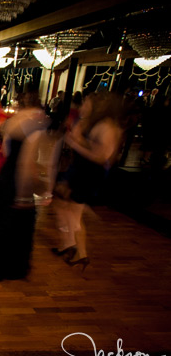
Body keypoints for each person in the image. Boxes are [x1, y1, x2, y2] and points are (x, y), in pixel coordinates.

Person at [0, 86, 52, 281]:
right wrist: (27, 193)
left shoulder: (11, 121)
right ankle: (11, 268)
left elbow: (7, 151)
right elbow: (27, 161)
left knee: (1, 221)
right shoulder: (37, 122)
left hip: (5, 175)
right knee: (17, 223)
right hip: (18, 179)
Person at [52, 92, 124, 271]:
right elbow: (87, 144)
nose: (83, 105)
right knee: (62, 203)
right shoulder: (93, 123)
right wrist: (78, 135)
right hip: (79, 171)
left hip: (87, 174)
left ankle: (81, 254)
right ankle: (68, 244)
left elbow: (101, 157)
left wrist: (75, 143)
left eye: (86, 102)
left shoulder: (107, 126)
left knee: (74, 215)